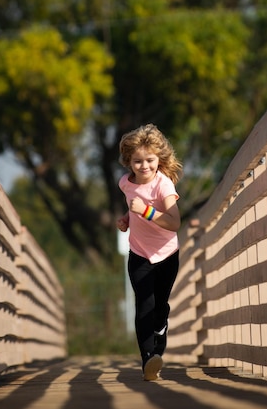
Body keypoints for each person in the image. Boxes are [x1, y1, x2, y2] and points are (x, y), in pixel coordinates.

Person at [116, 123, 183, 381]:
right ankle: (148, 361)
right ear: (128, 162)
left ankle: (160, 330)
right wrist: (126, 219)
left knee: (159, 307)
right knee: (143, 305)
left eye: (150, 160)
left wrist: (145, 211)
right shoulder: (126, 183)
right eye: (137, 161)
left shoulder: (163, 185)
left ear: (159, 159)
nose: (144, 166)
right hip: (139, 252)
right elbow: (133, 206)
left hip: (166, 254)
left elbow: (174, 222)